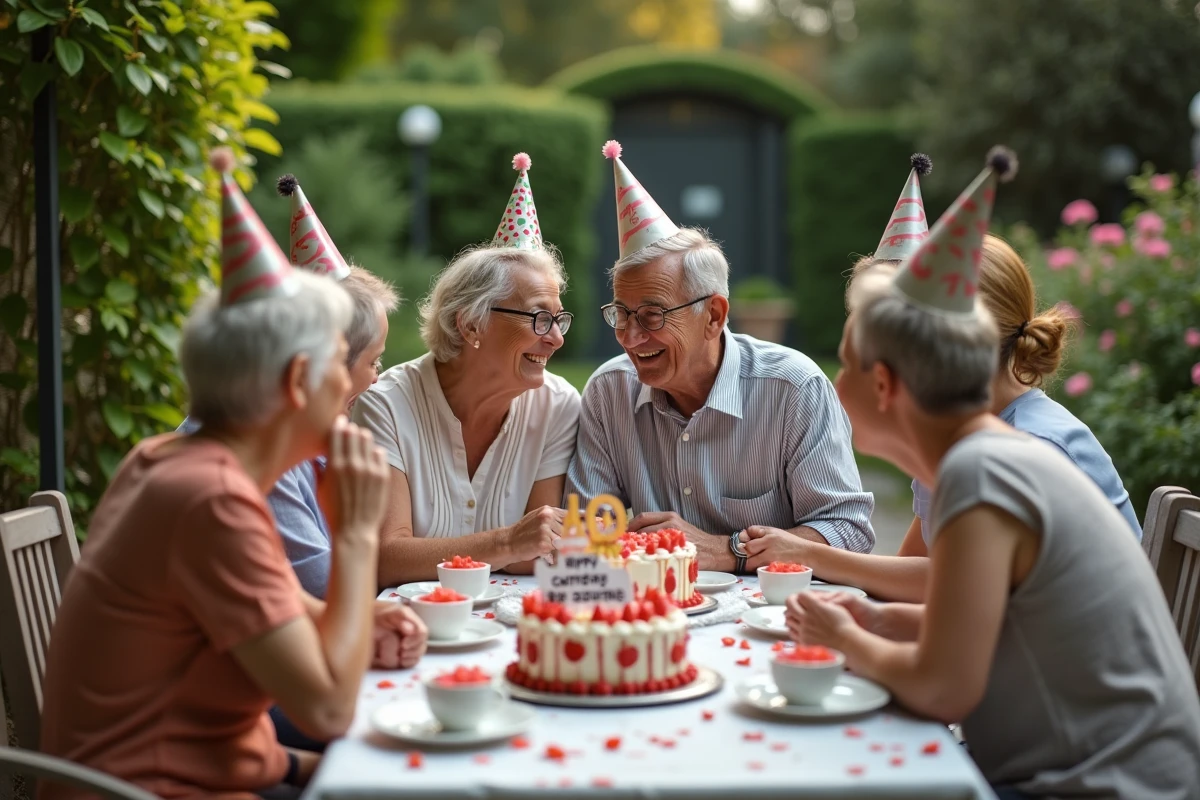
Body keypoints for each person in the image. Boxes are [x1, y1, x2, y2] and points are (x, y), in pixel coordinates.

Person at [786, 148, 1200, 799]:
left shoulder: (985, 472)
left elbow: (943, 687)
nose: (834, 387)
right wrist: (880, 623)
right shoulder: (983, 458)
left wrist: (845, 636)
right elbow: (994, 630)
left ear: (886, 385)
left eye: (844, 364)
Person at [39, 151, 415, 799]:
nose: (358, 387)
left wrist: (354, 624)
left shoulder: (172, 463)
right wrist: (357, 536)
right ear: (298, 382)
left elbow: (289, 619)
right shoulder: (210, 500)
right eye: (341, 366)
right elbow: (327, 710)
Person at [740, 159, 1139, 603]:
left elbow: (957, 595)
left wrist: (814, 557)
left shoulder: (1023, 454)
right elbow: (922, 570)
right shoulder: (953, 437)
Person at [566, 140, 874, 572]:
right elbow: (587, 530)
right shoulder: (608, 391)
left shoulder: (792, 389)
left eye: (652, 315)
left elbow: (846, 530)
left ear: (713, 315)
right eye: (621, 314)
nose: (630, 337)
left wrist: (729, 550)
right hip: (648, 616)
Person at [353, 154, 580, 587]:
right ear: (471, 323)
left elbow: (540, 552)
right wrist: (507, 543)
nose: (556, 339)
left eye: (558, 319)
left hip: (513, 624)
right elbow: (385, 557)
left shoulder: (559, 405)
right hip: (414, 630)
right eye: (538, 318)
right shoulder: (386, 404)